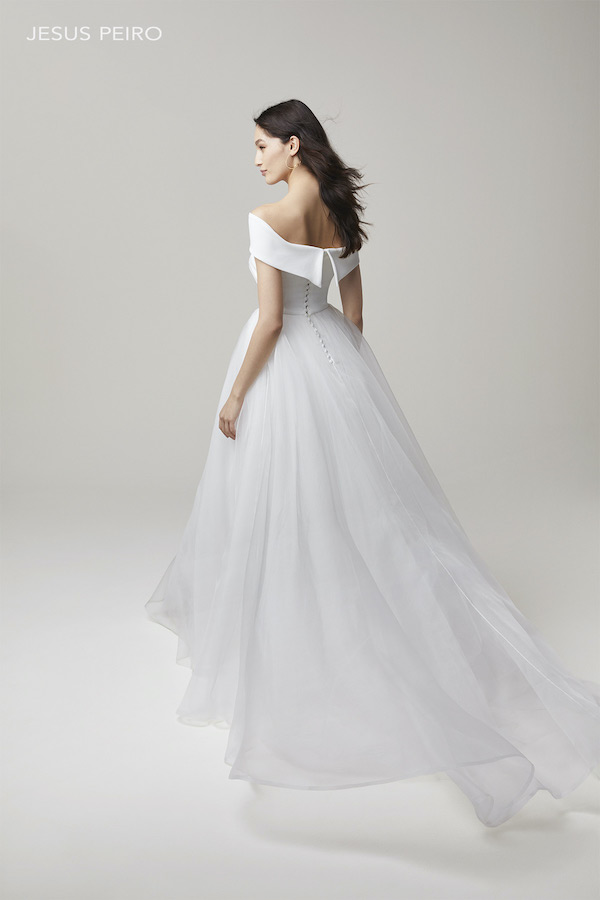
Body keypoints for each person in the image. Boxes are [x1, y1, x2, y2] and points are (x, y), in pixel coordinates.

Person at [145, 99, 600, 827]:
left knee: (280, 501)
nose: (256, 158)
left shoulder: (267, 219)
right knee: (370, 508)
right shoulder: (340, 213)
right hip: (335, 358)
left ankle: (301, 639)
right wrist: (344, 379)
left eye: (262, 145)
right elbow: (354, 315)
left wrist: (234, 396)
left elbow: (271, 321)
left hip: (281, 365)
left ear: (293, 146)